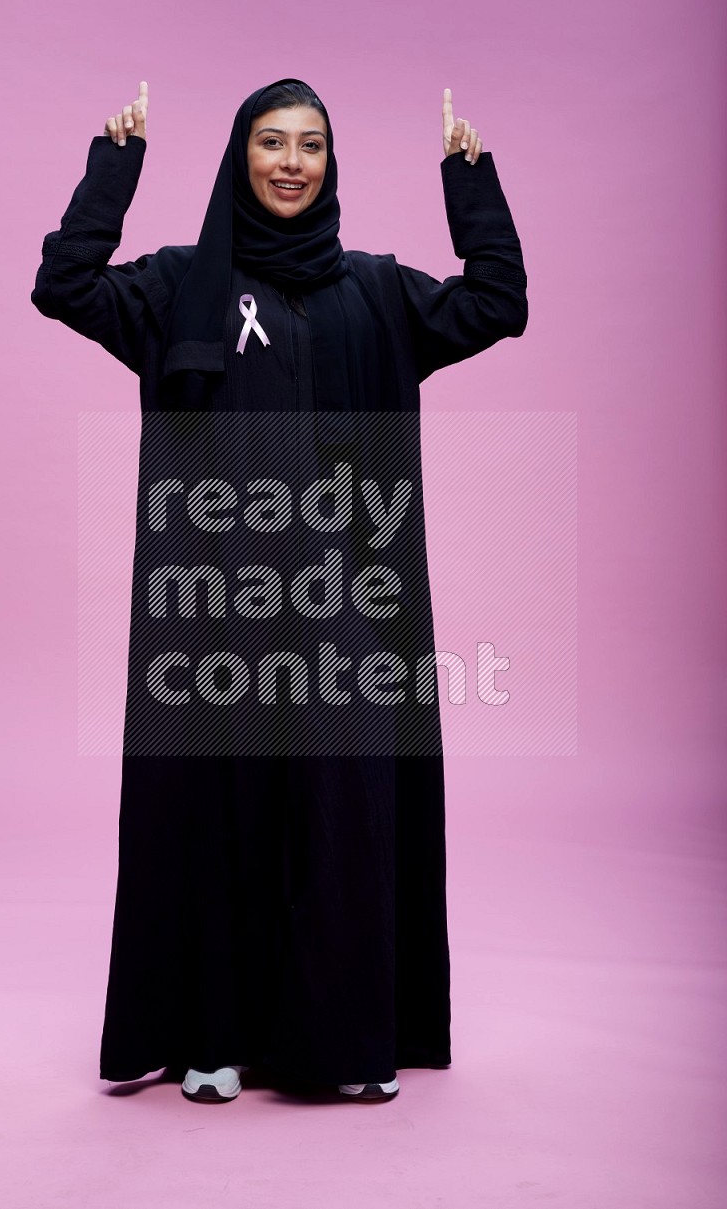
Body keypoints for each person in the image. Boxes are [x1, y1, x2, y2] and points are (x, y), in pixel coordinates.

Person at [31, 77, 528, 1104]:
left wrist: (468, 182)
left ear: (330, 162)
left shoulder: (375, 291)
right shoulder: (181, 288)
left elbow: (495, 302)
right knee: (225, 814)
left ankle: (342, 1045)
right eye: (271, 142)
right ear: (240, 156)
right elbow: (65, 285)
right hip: (218, 615)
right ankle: (211, 1036)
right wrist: (111, 169)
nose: (291, 162)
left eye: (309, 145)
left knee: (340, 817)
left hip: (349, 615)